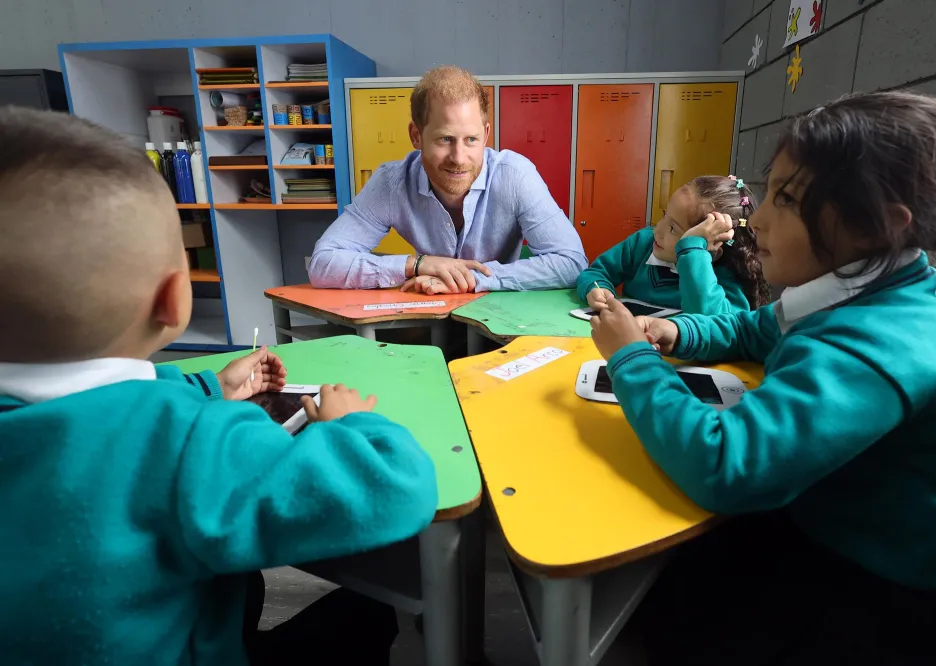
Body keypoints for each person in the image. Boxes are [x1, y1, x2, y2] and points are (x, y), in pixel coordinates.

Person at [0, 107, 438, 666]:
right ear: (174, 299)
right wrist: (349, 425)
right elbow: (396, 486)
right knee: (369, 613)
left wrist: (208, 389)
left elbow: (101, 415)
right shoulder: (192, 443)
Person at [591, 91, 936, 664]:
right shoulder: (863, 291)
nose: (755, 219)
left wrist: (631, 361)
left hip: (921, 594)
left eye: (785, 197)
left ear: (874, 225)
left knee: (673, 615)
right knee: (675, 585)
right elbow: (756, 329)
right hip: (848, 518)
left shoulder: (884, 344)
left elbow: (723, 464)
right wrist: (678, 335)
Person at [307, 65, 588, 294]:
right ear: (416, 136)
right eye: (445, 139)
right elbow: (323, 262)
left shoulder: (515, 175)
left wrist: (473, 279)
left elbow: (572, 262)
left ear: (486, 135)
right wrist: (417, 265)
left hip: (500, 317)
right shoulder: (391, 182)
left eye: (471, 140)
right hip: (431, 316)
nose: (459, 157)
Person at [576, 175, 768, 314]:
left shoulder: (726, 272)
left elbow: (715, 322)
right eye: (665, 216)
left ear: (713, 246)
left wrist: (693, 253)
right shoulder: (643, 243)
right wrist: (596, 288)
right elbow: (596, 272)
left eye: (673, 229)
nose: (658, 230)